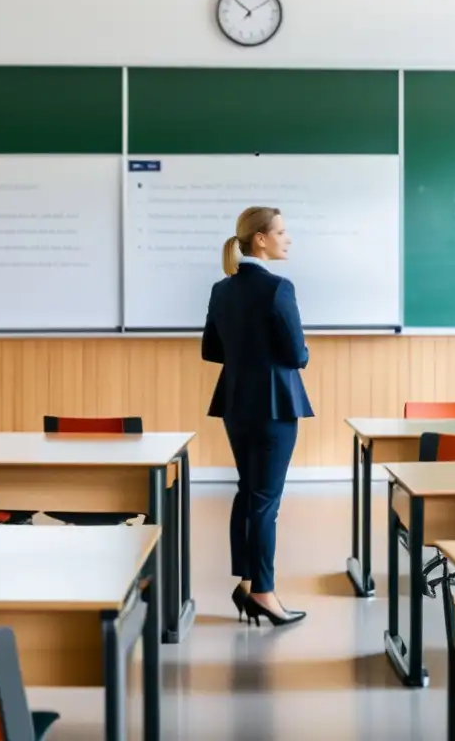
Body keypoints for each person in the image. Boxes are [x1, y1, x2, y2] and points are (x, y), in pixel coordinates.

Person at [201, 206, 313, 627]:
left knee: (247, 492)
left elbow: (211, 350)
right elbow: (297, 355)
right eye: (282, 232)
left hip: (235, 403)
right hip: (274, 405)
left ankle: (248, 583)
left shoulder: (221, 289)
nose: (288, 238)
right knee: (266, 501)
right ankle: (264, 592)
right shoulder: (278, 288)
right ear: (260, 240)